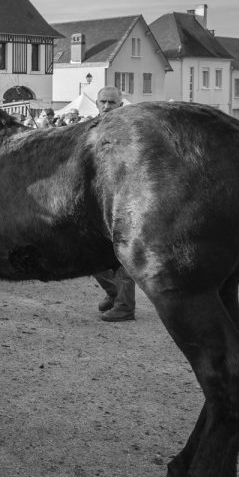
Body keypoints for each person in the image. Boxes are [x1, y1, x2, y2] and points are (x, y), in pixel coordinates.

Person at [92, 86, 136, 322]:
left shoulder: (128, 131)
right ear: (97, 103)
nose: (107, 106)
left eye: (111, 102)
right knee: (90, 254)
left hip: (123, 197)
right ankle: (115, 293)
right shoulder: (90, 127)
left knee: (121, 255)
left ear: (120, 105)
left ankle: (125, 306)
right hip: (97, 198)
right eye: (103, 101)